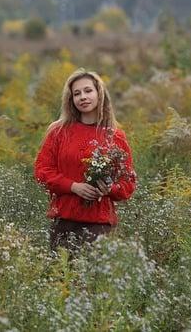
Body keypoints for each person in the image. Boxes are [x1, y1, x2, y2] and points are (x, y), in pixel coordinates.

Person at [34, 68, 137, 254]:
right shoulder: (59, 131)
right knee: (61, 280)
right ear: (70, 99)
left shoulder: (115, 136)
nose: (83, 97)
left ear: (99, 93)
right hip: (64, 223)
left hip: (100, 226)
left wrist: (110, 189)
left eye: (88, 91)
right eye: (76, 93)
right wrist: (73, 186)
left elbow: (128, 182)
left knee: (94, 282)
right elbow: (42, 171)